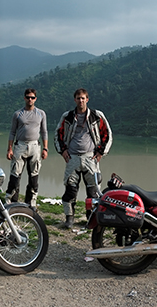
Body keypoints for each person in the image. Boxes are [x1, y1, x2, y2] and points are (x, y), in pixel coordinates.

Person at [54, 88, 112, 228]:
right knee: (70, 189)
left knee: (93, 191)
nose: (80, 100)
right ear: (75, 100)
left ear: (87, 99)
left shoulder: (96, 116)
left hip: (90, 158)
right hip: (72, 158)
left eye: (83, 98)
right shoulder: (67, 116)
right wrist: (63, 151)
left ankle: (90, 219)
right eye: (78, 98)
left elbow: (107, 134)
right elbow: (58, 134)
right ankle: (69, 219)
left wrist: (101, 153)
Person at [5, 88, 48, 209]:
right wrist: (9, 149)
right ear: (24, 98)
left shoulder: (41, 113)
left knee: (34, 176)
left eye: (32, 97)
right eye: (28, 97)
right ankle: (11, 202)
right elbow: (12, 132)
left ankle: (31, 202)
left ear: (36, 99)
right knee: (15, 175)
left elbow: (44, 132)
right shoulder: (18, 114)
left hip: (35, 146)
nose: (30, 99)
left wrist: (45, 148)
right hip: (20, 146)